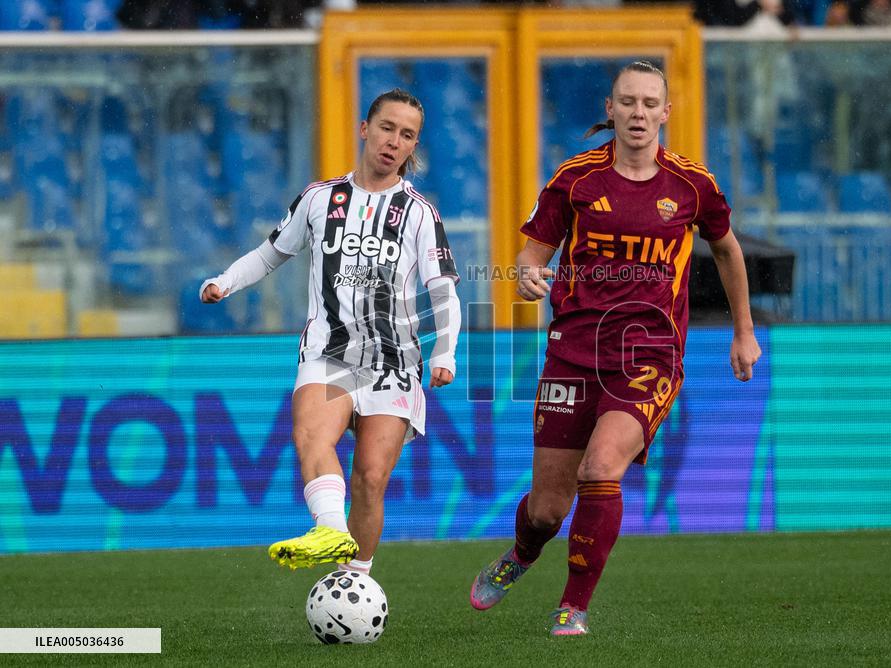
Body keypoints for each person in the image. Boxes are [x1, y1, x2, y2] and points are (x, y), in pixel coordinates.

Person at [469, 61, 761, 636]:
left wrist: (743, 330)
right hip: (571, 354)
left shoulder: (692, 185)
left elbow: (727, 251)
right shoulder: (574, 180)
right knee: (549, 509)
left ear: (666, 113)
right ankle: (522, 553)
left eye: (650, 103)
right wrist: (528, 276)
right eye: (628, 101)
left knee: (601, 468)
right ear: (610, 108)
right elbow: (531, 255)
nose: (638, 113)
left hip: (648, 356)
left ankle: (573, 606)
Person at [200, 88, 461, 574]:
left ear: (413, 146)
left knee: (370, 479)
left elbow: (443, 292)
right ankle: (330, 531)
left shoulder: (421, 213)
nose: (394, 142)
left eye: (407, 135)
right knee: (311, 437)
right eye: (387, 128)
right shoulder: (321, 199)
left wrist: (445, 354)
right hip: (330, 354)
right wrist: (224, 282)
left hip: (393, 363)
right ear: (365, 128)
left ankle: (353, 581)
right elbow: (269, 254)